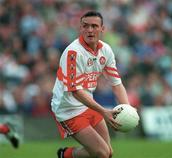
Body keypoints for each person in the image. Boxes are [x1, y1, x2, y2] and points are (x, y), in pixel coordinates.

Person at [51, 10, 129, 158]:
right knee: (102, 153)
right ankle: (67, 154)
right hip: (68, 110)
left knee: (108, 152)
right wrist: (103, 111)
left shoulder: (105, 50)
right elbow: (75, 91)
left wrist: (127, 109)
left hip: (87, 104)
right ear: (80, 28)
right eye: (85, 26)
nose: (89, 30)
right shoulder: (73, 53)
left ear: (102, 29)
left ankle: (65, 154)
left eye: (94, 26)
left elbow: (116, 84)